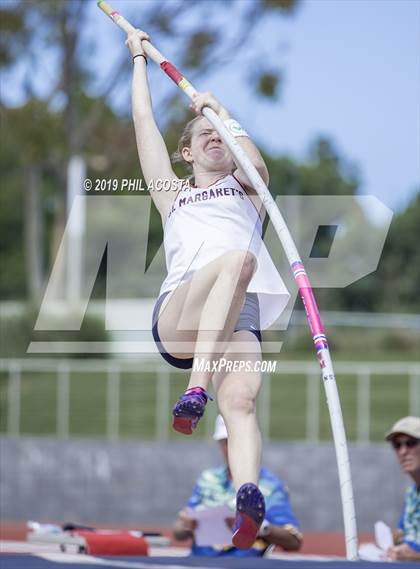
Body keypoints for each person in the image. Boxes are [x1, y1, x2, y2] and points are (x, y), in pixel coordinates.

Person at [126, 30, 289, 548]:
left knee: (240, 403)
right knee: (238, 261)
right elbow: (143, 122)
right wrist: (137, 59)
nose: (215, 138)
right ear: (186, 152)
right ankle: (195, 388)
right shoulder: (171, 195)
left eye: (221, 133)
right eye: (205, 134)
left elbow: (256, 163)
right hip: (182, 314)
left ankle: (246, 497)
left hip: (238, 316)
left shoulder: (249, 189)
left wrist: (221, 109)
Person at [173, 415, 302, 557]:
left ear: (252, 444)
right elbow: (178, 533)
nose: (232, 449)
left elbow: (293, 540)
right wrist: (186, 524)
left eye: (237, 442)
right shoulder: (207, 479)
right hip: (198, 563)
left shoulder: (271, 486)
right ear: (219, 444)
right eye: (226, 442)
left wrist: (256, 526)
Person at [385, 416, 420, 561]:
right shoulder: (412, 494)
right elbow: (402, 536)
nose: (403, 451)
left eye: (410, 443)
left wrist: (415, 555)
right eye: (397, 445)